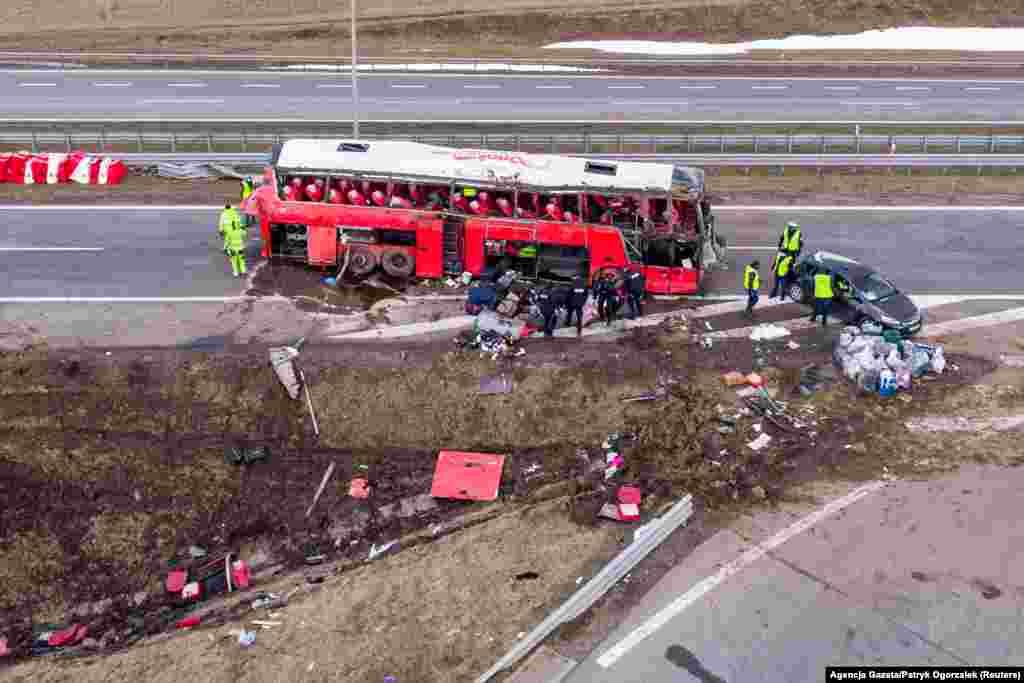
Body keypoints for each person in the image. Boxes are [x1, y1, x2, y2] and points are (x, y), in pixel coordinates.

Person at [224, 213, 247, 278]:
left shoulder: (230, 232)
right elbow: (245, 233)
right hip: (240, 248)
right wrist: (242, 227)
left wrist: (226, 249)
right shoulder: (240, 231)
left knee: (234, 262)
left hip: (232, 249)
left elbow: (227, 242)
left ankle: (236, 273)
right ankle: (243, 271)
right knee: (241, 261)